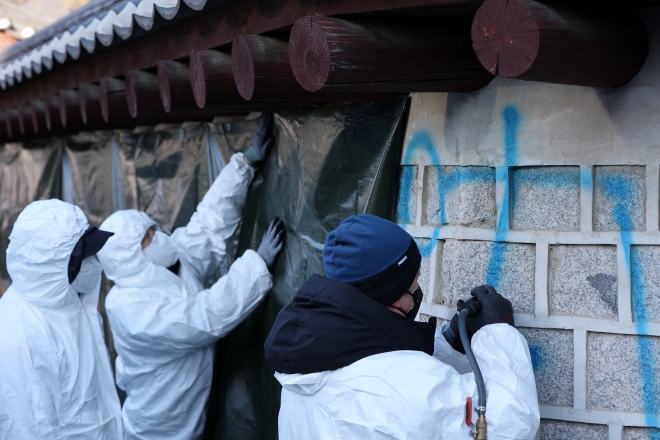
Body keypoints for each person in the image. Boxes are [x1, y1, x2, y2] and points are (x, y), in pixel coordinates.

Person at [265, 214, 540, 439]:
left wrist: (450, 343)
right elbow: (510, 423)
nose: (418, 290)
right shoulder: (398, 384)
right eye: (414, 280)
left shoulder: (305, 366)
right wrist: (497, 333)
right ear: (392, 292)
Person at [96, 113, 284, 440]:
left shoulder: (171, 262)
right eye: (147, 237)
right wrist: (256, 266)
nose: (158, 236)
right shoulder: (129, 307)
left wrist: (245, 166)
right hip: (157, 427)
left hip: (190, 412)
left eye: (152, 228)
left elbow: (207, 228)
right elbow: (201, 318)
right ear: (129, 259)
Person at [0, 199, 123, 439]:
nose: (94, 264)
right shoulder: (19, 335)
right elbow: (30, 430)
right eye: (84, 257)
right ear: (51, 264)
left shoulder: (71, 304)